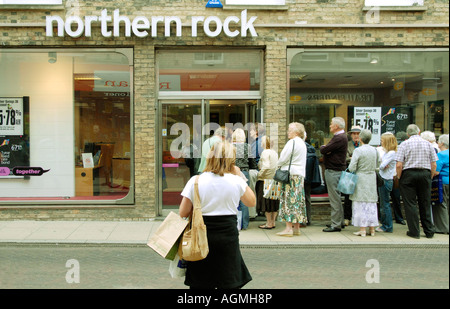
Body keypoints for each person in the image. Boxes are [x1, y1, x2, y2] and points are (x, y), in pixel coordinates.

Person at [179, 140, 256, 289]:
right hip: (228, 235)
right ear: (231, 160)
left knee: (201, 283)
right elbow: (251, 202)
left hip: (201, 236)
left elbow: (183, 212)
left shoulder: (196, 180)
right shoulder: (236, 181)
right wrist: (240, 175)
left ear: (210, 156)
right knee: (228, 281)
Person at [396, 124, 438, 239]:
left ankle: (414, 231)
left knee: (410, 204)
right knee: (425, 202)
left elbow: (399, 164)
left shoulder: (404, 144)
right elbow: (434, 163)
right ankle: (429, 231)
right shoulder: (428, 144)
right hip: (425, 173)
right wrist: (430, 175)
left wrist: (399, 177)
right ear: (419, 132)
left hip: (408, 174)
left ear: (408, 134)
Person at [276, 122, 307, 237]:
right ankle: (296, 228)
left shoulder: (292, 142)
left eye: (290, 130)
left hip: (290, 175)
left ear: (297, 132)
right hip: (299, 175)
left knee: (288, 200)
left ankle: (288, 229)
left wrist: (278, 165)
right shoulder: (302, 143)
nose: (287, 132)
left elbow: (283, 158)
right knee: (298, 200)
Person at [347, 129, 379, 237]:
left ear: (360, 138)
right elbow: (378, 164)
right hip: (371, 178)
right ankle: (372, 229)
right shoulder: (375, 150)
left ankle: (362, 229)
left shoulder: (358, 150)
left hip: (361, 178)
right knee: (371, 203)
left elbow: (351, 167)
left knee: (360, 203)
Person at [320, 117, 348, 232]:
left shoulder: (339, 138)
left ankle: (336, 224)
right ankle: (339, 221)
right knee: (337, 197)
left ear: (336, 126)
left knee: (334, 198)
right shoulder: (341, 137)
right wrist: (326, 149)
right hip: (336, 171)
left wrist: (324, 147)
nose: (330, 126)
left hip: (333, 171)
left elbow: (324, 150)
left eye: (331, 124)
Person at [232, 128, 258, 230]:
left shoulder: (230, 146)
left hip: (233, 172)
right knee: (244, 198)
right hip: (244, 172)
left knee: (233, 198)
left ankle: (235, 223)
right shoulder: (247, 147)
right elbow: (252, 162)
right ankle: (245, 224)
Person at [255, 136, 279, 229]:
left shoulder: (265, 152)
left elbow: (266, 166)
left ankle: (268, 223)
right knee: (274, 202)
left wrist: (259, 175)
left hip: (265, 180)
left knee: (266, 202)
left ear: (265, 143)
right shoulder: (275, 153)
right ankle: (273, 222)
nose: (260, 143)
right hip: (274, 179)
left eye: (262, 141)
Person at [376, 132, 398, 233]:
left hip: (385, 180)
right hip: (385, 179)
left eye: (382, 140)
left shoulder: (391, 153)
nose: (381, 142)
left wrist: (381, 165)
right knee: (383, 204)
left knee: (385, 204)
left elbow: (381, 165)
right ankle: (385, 224)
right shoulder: (387, 152)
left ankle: (387, 226)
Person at [344, 125, 361, 226]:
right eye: (354, 134)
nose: (356, 136)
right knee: (348, 196)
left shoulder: (364, 144)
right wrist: (355, 158)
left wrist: (352, 157)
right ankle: (347, 217)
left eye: (358, 134)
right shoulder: (347, 145)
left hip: (361, 174)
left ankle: (357, 217)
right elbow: (345, 158)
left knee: (359, 196)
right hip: (350, 173)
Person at [433, 134, 449, 234]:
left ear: (442, 143)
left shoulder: (441, 155)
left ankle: (443, 228)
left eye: (438, 141)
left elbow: (436, 171)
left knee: (441, 205)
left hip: (443, 182)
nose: (437, 142)